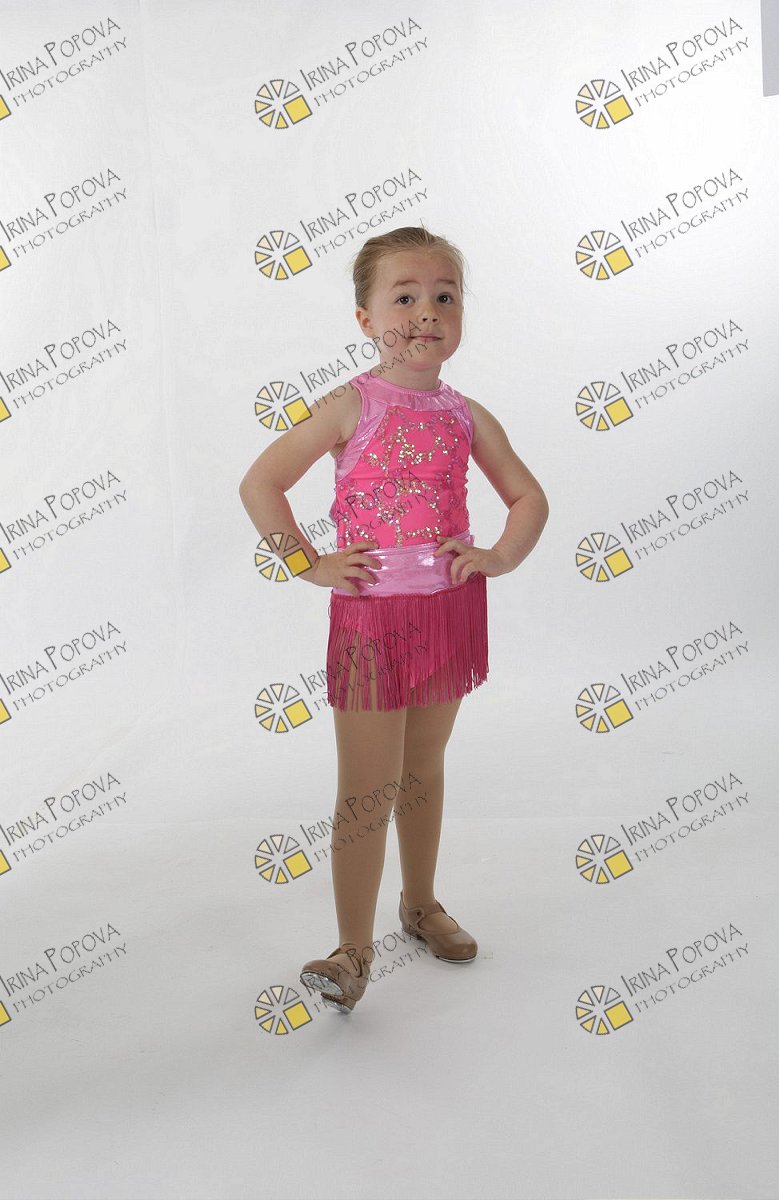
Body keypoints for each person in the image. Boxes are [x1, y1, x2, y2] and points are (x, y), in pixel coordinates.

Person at [238, 224, 549, 1013]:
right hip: (372, 622)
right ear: (366, 318)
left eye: (445, 296)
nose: (426, 312)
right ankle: (352, 952)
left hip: (448, 612)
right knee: (366, 788)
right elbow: (261, 483)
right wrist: (308, 562)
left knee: (424, 768)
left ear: (461, 314)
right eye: (404, 298)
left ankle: (420, 905)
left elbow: (528, 496)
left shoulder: (465, 414)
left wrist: (500, 556)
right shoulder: (351, 404)